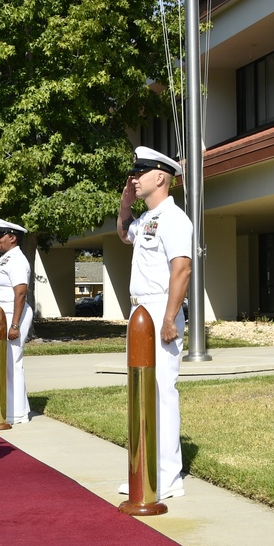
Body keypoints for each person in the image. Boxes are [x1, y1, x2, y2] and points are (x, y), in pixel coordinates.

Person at [117, 145, 192, 500]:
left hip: (160, 307)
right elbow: (123, 234)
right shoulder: (147, 218)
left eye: (140, 172)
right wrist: (125, 205)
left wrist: (169, 319)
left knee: (161, 391)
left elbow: (182, 269)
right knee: (141, 391)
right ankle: (145, 469)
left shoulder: (174, 218)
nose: (134, 178)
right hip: (139, 310)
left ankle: (168, 475)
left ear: (160, 176)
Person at [0, 219, 33, 424]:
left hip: (12, 311)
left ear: (12, 238)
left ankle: (18, 412)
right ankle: (7, 406)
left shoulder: (17, 260)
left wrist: (15, 325)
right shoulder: (6, 258)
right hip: (0, 311)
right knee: (2, 362)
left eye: (0, 235)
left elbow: (20, 293)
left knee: (12, 361)